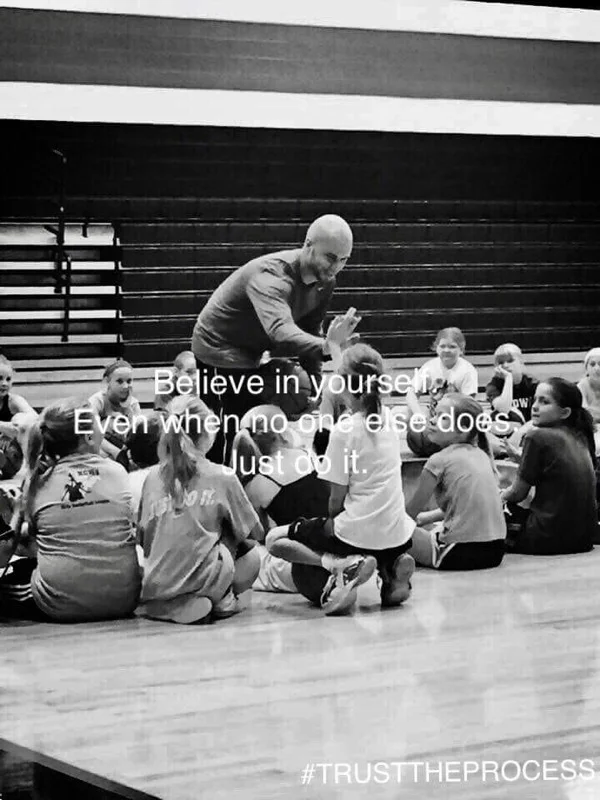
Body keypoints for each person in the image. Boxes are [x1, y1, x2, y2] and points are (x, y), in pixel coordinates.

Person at [190, 215, 360, 464]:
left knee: (252, 428)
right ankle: (217, 478)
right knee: (227, 431)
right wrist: (327, 347)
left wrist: (314, 386)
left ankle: (247, 479)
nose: (336, 267)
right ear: (308, 245)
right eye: (331, 257)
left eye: (344, 260)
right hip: (218, 347)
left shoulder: (325, 282)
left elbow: (310, 328)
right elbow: (280, 330)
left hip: (252, 351)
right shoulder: (272, 276)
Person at [265, 343, 415, 614]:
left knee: (274, 539)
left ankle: (340, 565)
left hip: (356, 532)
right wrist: (336, 348)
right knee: (375, 538)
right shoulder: (391, 419)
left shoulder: (344, 431)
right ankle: (391, 570)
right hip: (398, 532)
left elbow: (336, 499)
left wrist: (332, 526)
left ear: (343, 385)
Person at [0, 398, 141, 622]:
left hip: (60, 605)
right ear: (88, 437)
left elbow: (26, 541)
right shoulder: (118, 472)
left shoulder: (37, 483)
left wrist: (18, 510)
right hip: (125, 599)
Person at [136, 395, 261, 624]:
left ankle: (165, 603)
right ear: (205, 431)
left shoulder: (152, 477)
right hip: (201, 579)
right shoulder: (222, 475)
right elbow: (255, 533)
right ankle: (223, 600)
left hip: (155, 581)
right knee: (250, 552)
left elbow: (143, 538)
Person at [231, 404, 331, 595]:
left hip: (297, 566)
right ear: (283, 433)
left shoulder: (257, 484)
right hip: (333, 545)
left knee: (248, 557)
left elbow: (258, 535)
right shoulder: (308, 455)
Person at [406, 394, 506, 570]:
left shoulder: (438, 461)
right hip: (496, 551)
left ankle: (394, 568)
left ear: (463, 429)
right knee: (433, 528)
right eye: (434, 414)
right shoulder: (482, 455)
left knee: (390, 530)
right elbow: (466, 505)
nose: (433, 420)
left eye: (443, 417)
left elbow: (409, 514)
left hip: (457, 552)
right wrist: (425, 518)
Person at [500, 378, 598, 555]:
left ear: (564, 412)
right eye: (535, 400)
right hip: (584, 538)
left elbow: (517, 493)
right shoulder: (580, 435)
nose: (535, 407)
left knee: (491, 507)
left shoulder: (537, 436)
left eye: (544, 402)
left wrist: (496, 496)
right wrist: (522, 459)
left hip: (547, 537)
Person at [405, 327, 478, 458]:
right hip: (433, 414)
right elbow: (411, 394)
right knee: (400, 414)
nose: (446, 350)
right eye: (442, 346)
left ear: (461, 350)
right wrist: (418, 414)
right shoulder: (429, 367)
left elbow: (468, 406)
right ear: (436, 348)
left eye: (452, 347)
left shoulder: (468, 371)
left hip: (454, 417)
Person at [88, 359, 142, 460]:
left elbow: (138, 435)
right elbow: (91, 434)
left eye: (129, 381)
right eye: (119, 381)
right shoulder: (96, 401)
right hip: (100, 447)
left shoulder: (133, 404)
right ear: (107, 381)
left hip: (123, 446)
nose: (125, 386)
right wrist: (116, 452)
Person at [0, 355, 37, 479]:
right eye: (0, 379)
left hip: (10, 455)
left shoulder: (14, 401)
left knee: (23, 419)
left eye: (8, 379)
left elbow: (36, 419)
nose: (4, 383)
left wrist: (9, 430)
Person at [578, 348, 600, 454]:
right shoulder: (581, 386)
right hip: (589, 430)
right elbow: (584, 415)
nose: (597, 368)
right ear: (586, 369)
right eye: (592, 364)